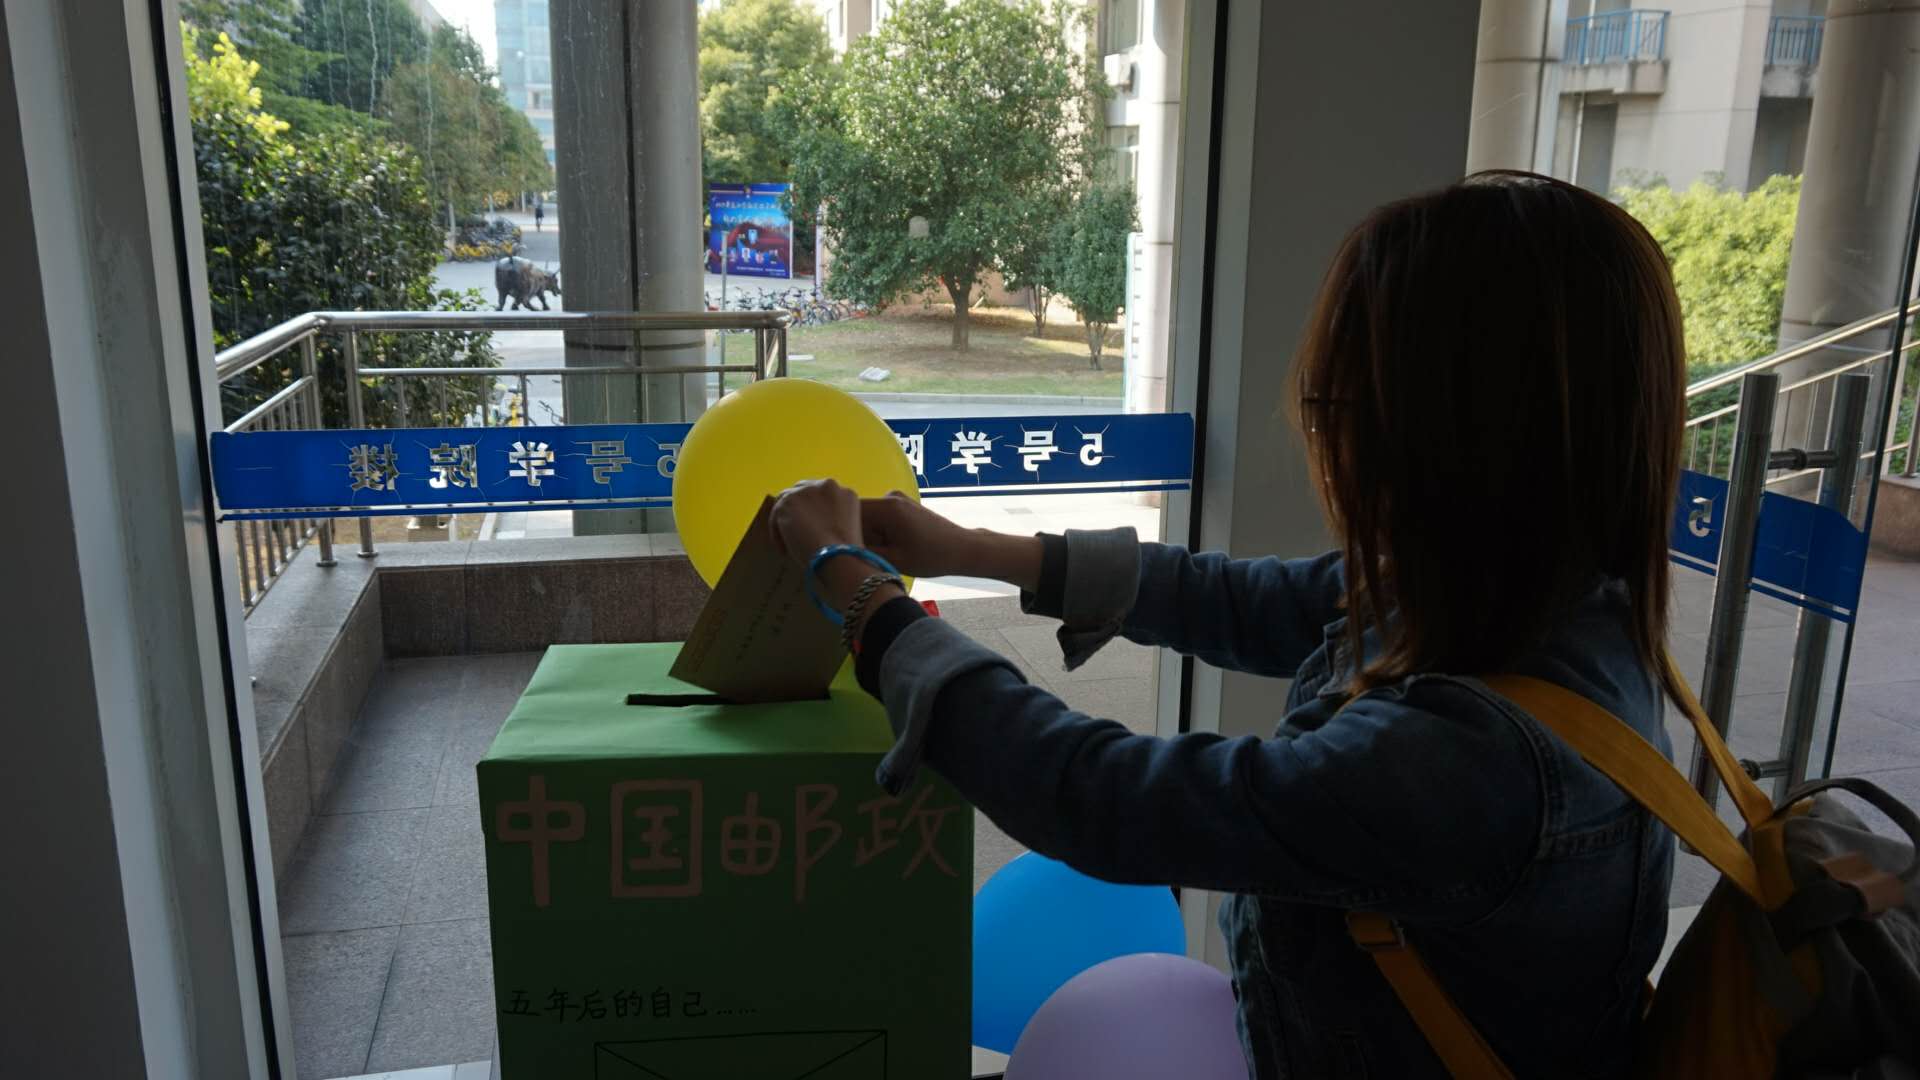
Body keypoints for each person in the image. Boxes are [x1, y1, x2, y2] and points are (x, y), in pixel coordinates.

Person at [767, 171, 1688, 1078]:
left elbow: (1107, 798)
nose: (1328, 445)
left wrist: (863, 600)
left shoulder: (1464, 759)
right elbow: (1241, 598)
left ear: (1447, 437)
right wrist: (967, 546)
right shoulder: (1547, 605)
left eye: (1336, 409)